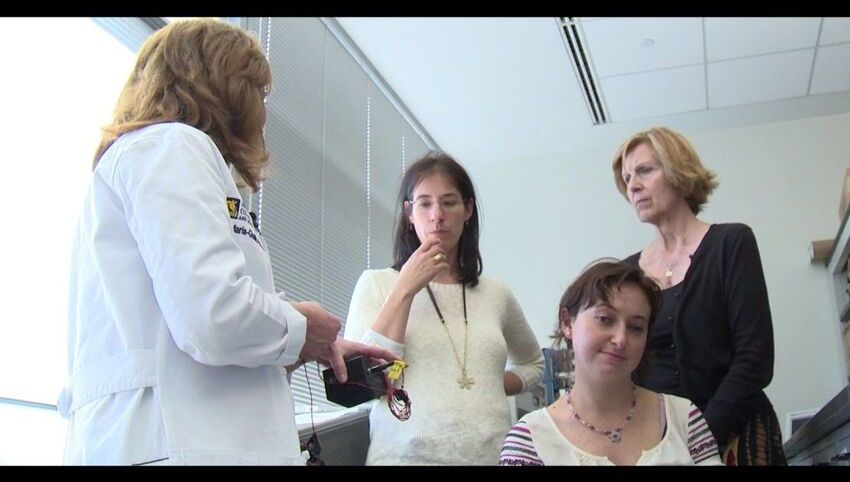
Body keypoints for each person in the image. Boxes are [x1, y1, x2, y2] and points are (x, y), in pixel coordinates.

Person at [58, 19, 395, 465]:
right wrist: (299, 327)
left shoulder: (161, 158)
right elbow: (212, 314)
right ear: (224, 85)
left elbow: (199, 314)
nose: (262, 112)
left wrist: (308, 343)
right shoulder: (170, 145)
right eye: (258, 92)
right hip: (175, 443)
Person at [344, 152, 544, 465]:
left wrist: (491, 383)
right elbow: (360, 383)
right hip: (403, 457)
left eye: (449, 202)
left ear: (468, 210)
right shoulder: (377, 284)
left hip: (489, 457)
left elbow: (534, 363)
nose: (437, 215)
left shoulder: (496, 293)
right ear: (409, 213)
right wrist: (405, 289)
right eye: (425, 203)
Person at [609, 126, 786, 465]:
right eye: (627, 178)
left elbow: (755, 359)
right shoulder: (627, 274)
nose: (633, 185)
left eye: (644, 170)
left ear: (678, 171)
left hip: (737, 437)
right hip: (661, 446)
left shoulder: (731, 243)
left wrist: (699, 442)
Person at [499, 260, 721, 466]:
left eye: (636, 327)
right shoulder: (530, 440)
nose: (621, 339)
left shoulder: (684, 419)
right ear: (567, 323)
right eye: (605, 319)